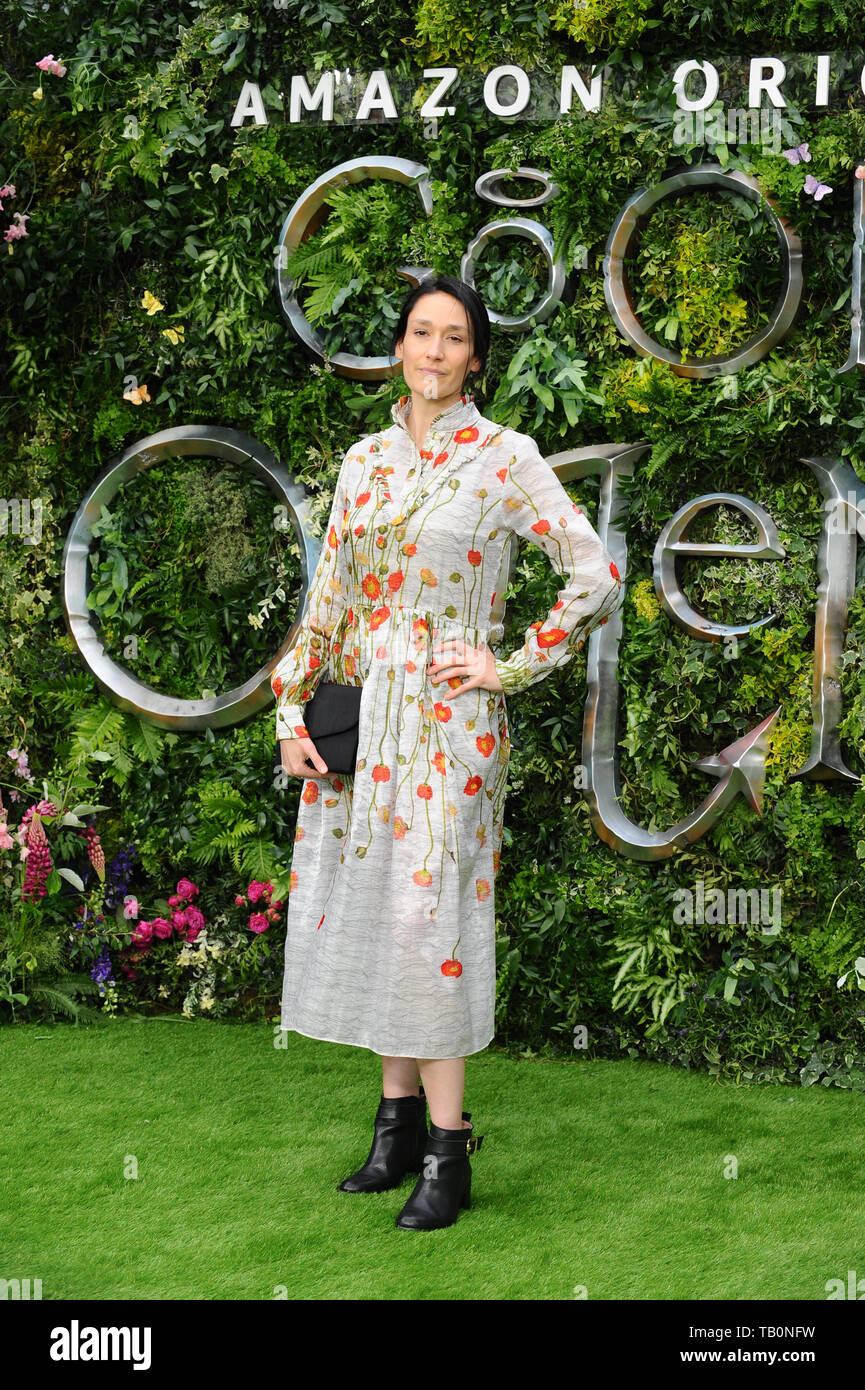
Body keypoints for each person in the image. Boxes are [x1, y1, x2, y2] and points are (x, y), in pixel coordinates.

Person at [273, 272, 623, 1230]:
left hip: (448, 725)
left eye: (453, 336)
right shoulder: (363, 462)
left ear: (475, 356)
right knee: (376, 909)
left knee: (430, 930)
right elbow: (331, 600)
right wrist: (290, 711)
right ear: (399, 348)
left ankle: (448, 1146)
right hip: (363, 721)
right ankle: (390, 1133)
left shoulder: (505, 458)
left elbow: (591, 571)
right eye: (420, 333)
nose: (433, 351)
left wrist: (506, 665)